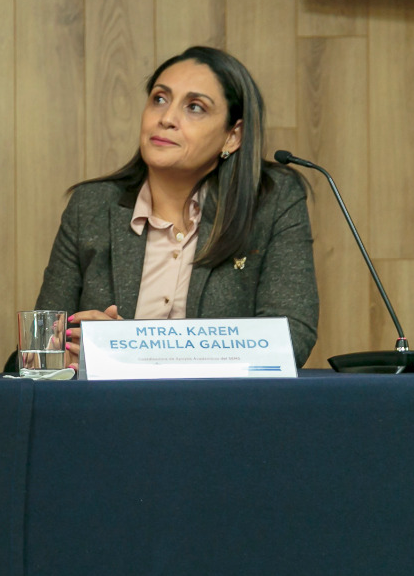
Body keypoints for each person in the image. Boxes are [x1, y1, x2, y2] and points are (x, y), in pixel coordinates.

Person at [35, 45, 319, 366]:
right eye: (159, 99)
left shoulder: (271, 201)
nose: (166, 118)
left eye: (195, 107)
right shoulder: (91, 207)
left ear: (233, 137)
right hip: (107, 411)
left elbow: (289, 339)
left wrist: (126, 348)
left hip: (221, 411)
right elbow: (39, 350)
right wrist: (66, 351)